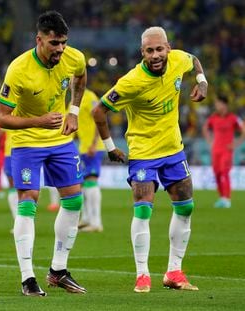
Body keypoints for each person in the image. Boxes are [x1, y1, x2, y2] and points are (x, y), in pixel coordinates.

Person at [93, 26, 208, 293]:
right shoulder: (131, 82)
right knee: (143, 208)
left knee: (185, 207)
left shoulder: (179, 59)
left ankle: (174, 272)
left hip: (173, 149)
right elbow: (99, 112)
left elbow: (194, 60)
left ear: (168, 47)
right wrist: (110, 147)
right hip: (144, 152)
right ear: (141, 52)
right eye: (149, 51)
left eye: (159, 49)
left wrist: (202, 81)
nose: (155, 55)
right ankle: (142, 274)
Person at [0, 10, 87, 296]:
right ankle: (27, 278)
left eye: (63, 42)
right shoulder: (18, 69)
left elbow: (81, 78)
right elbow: (2, 118)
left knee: (74, 199)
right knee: (29, 201)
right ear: (39, 40)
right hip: (26, 141)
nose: (60, 49)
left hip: (59, 140)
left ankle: (58, 271)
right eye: (54, 43)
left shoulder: (74, 57)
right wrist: (38, 121)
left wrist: (73, 111)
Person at [202, 95, 245, 208]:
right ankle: (222, 197)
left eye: (218, 103)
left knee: (224, 172)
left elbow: (243, 130)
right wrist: (210, 141)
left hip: (227, 150)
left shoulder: (233, 118)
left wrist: (236, 144)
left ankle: (227, 199)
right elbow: (205, 128)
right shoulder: (213, 118)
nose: (216, 106)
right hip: (215, 150)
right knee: (217, 174)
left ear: (224, 104)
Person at [76, 88, 104, 232]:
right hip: (82, 148)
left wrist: (94, 143)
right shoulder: (74, 99)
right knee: (83, 184)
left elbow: (99, 117)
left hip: (93, 147)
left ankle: (96, 223)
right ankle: (87, 219)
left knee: (91, 181)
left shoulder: (90, 96)